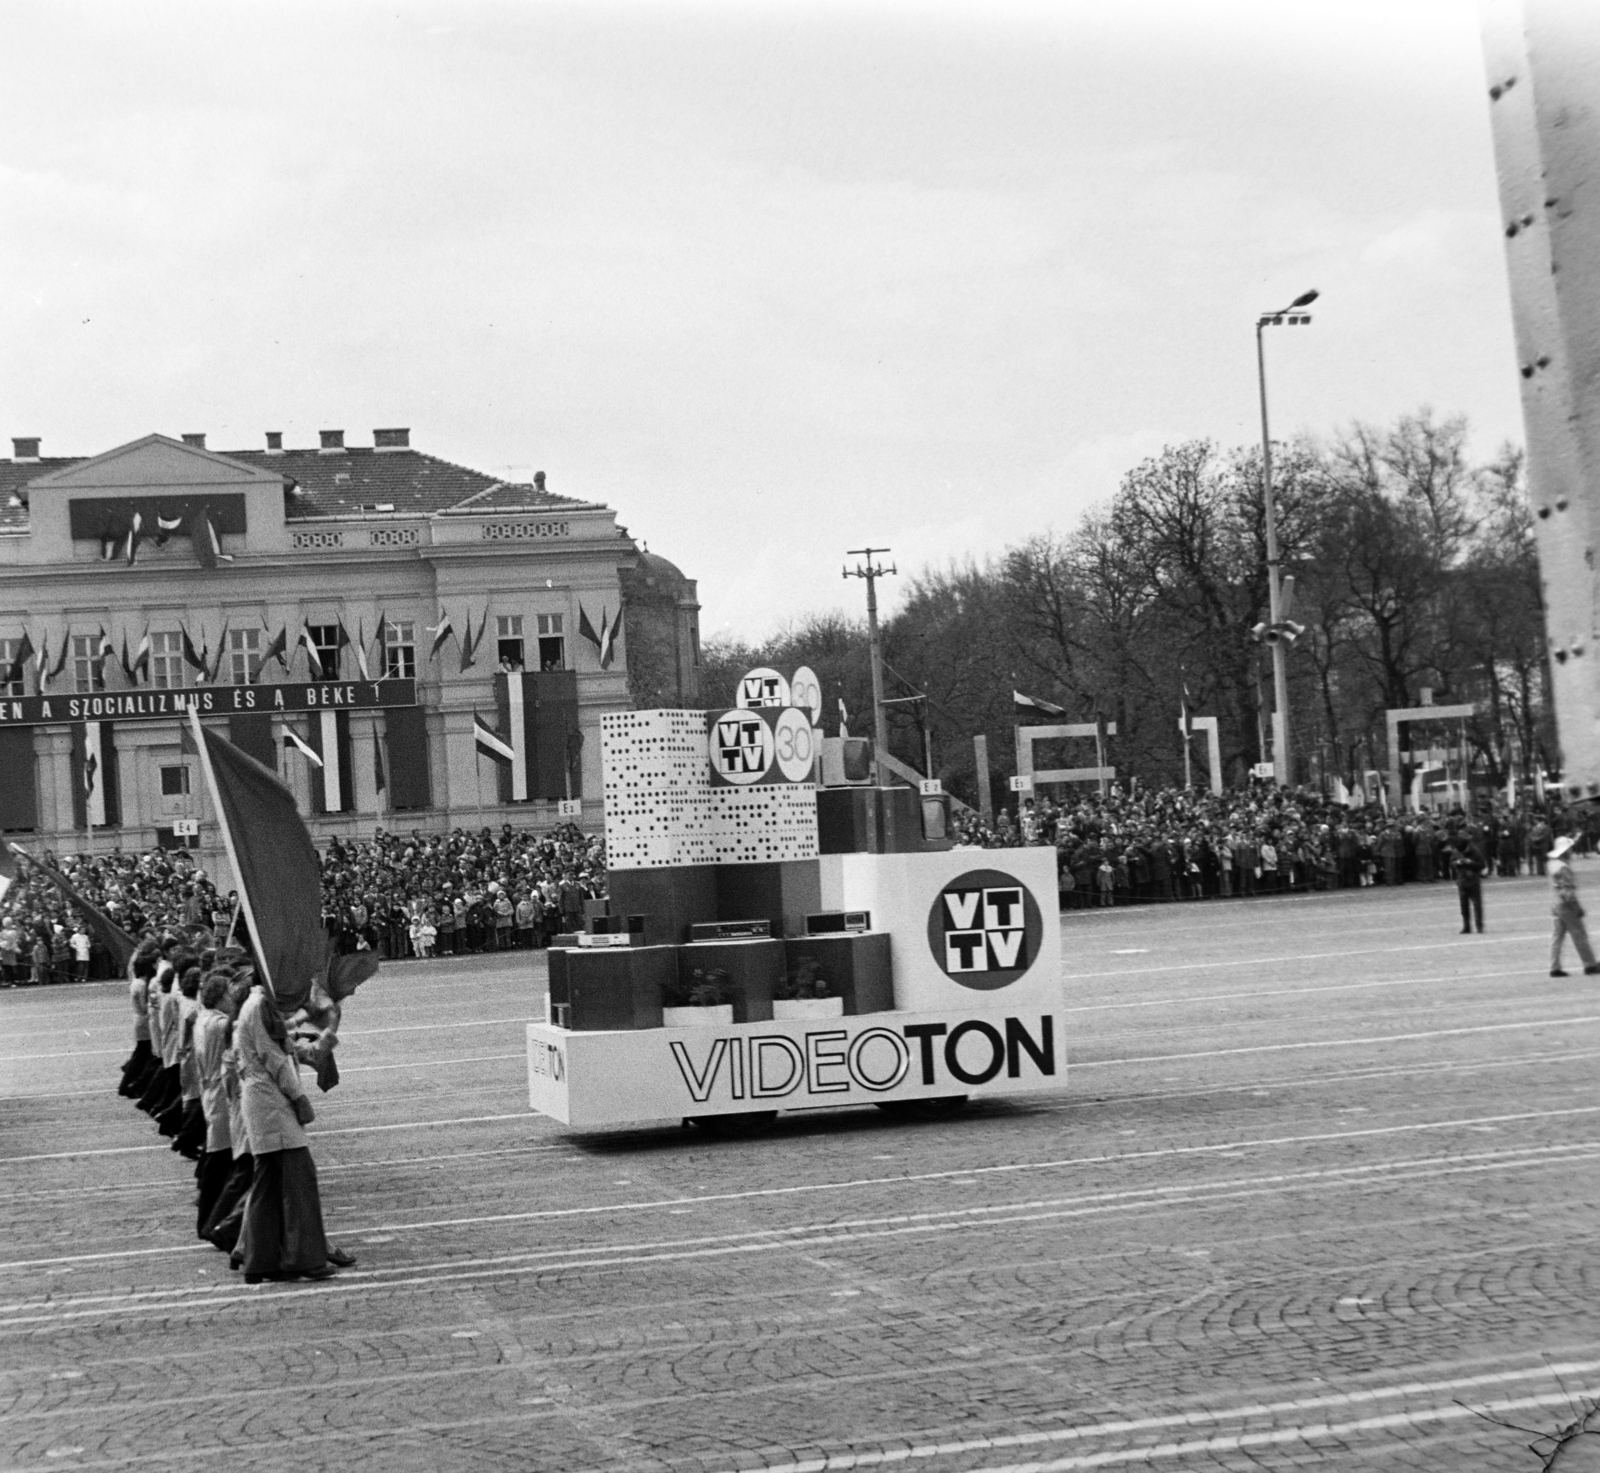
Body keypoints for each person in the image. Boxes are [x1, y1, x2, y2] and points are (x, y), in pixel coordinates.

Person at [233, 983, 354, 1284]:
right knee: (300, 1182)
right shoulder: (260, 1007)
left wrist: (319, 1021)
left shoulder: (255, 1005)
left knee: (267, 1187)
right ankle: (305, 1258)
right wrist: (299, 1098)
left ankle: (259, 1260)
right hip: (272, 1103)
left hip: (261, 1103)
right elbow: (276, 1058)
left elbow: (283, 1040)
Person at [1548, 834, 1600, 977]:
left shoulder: (1553, 864)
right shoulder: (1564, 868)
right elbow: (1568, 892)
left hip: (1555, 903)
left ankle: (1554, 966)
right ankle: (1589, 964)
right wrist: (1577, 907)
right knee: (1579, 935)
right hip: (1566, 906)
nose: (1571, 851)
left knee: (1557, 937)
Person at [1451, 840, 1485, 935]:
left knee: (1477, 905)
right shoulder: (1456, 852)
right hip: (1462, 882)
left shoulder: (1475, 852)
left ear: (1468, 847)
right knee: (1464, 906)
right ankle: (1466, 927)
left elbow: (1482, 865)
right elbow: (1451, 864)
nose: (1463, 853)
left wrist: (1471, 862)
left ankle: (1479, 926)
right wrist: (1457, 862)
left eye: (1464, 851)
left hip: (1473, 882)